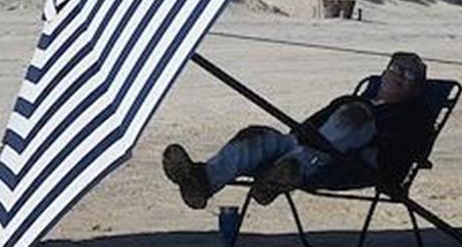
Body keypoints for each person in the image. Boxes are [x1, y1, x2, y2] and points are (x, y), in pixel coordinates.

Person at [163, 52, 430, 209]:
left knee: (356, 118)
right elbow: (306, 127)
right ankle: (203, 180)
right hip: (302, 147)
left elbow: (402, 153)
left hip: (347, 163)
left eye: (409, 75)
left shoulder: (411, 115)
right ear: (383, 73)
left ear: (416, 89)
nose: (398, 75)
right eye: (395, 68)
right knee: (257, 136)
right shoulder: (350, 100)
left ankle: (285, 173)